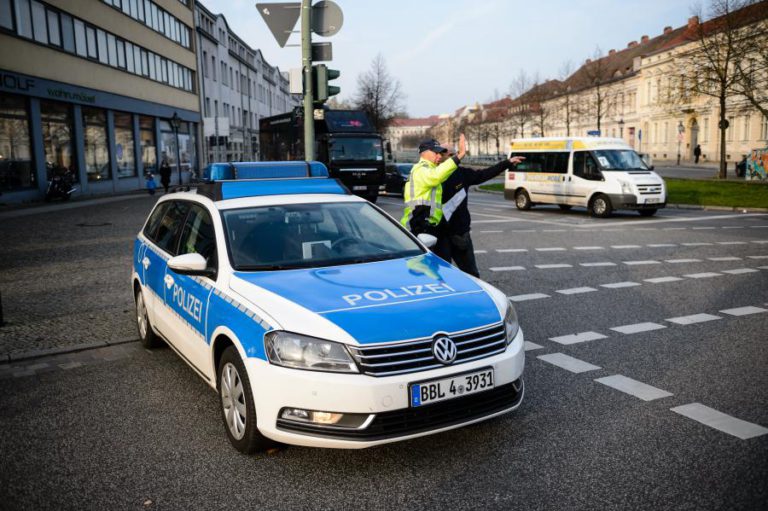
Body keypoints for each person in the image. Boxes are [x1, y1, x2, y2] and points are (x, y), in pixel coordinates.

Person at [434, 148, 525, 277]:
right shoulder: (430, 176)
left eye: (453, 154)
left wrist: (507, 163)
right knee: (442, 276)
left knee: (471, 275)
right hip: (439, 235)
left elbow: (485, 174)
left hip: (459, 233)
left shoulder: (461, 173)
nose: (454, 157)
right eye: (449, 154)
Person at [400, 134, 466, 260]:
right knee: (421, 267)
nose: (439, 156)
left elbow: (441, 174)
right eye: (436, 153)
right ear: (425, 152)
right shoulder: (421, 169)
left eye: (440, 153)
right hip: (418, 226)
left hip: (429, 226)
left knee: (439, 265)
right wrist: (459, 156)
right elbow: (436, 176)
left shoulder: (430, 169)